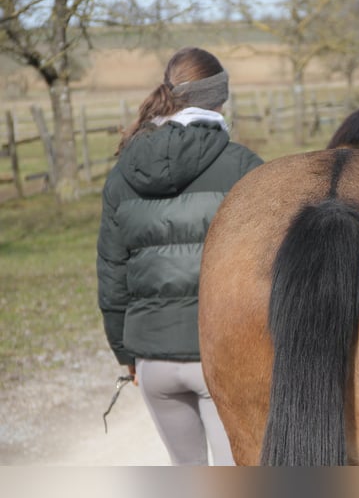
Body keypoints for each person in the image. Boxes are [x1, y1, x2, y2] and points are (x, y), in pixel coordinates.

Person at [97, 47, 263, 465]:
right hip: (221, 357)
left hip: (152, 361)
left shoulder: (122, 175)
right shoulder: (245, 167)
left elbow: (112, 275)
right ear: (219, 98)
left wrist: (126, 354)